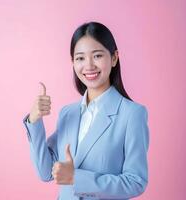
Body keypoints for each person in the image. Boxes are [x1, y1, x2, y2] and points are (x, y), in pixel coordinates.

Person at [22, 21, 149, 200]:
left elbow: (135, 182)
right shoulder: (68, 113)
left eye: (97, 56)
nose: (89, 65)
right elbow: (46, 172)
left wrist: (76, 178)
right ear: (73, 62)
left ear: (114, 58)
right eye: (80, 58)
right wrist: (34, 121)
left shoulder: (132, 114)